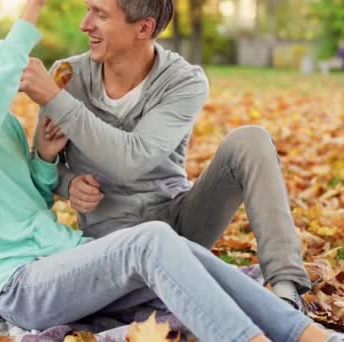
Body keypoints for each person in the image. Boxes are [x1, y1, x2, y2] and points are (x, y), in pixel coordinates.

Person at [0, 1, 344, 341]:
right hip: (19, 283)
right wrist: (28, 14)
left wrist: (42, 158)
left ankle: (317, 339)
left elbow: (33, 198)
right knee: (152, 244)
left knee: (190, 256)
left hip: (61, 257)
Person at [20, 0, 311, 310]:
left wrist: (55, 100)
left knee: (251, 139)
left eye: (100, 14)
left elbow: (131, 161)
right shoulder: (68, 76)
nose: (85, 24)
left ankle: (285, 291)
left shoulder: (183, 81)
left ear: (144, 28)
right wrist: (69, 184)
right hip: (111, 241)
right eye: (88, 9)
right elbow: (44, 162)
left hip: (179, 225)